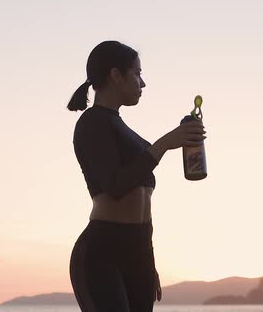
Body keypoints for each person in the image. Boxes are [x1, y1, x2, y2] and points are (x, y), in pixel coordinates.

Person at [66, 40, 207, 312]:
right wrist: (165, 143)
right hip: (101, 253)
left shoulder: (127, 133)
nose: (142, 84)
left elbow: (144, 209)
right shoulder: (91, 123)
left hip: (138, 252)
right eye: (137, 74)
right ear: (116, 75)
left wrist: (148, 262)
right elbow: (116, 186)